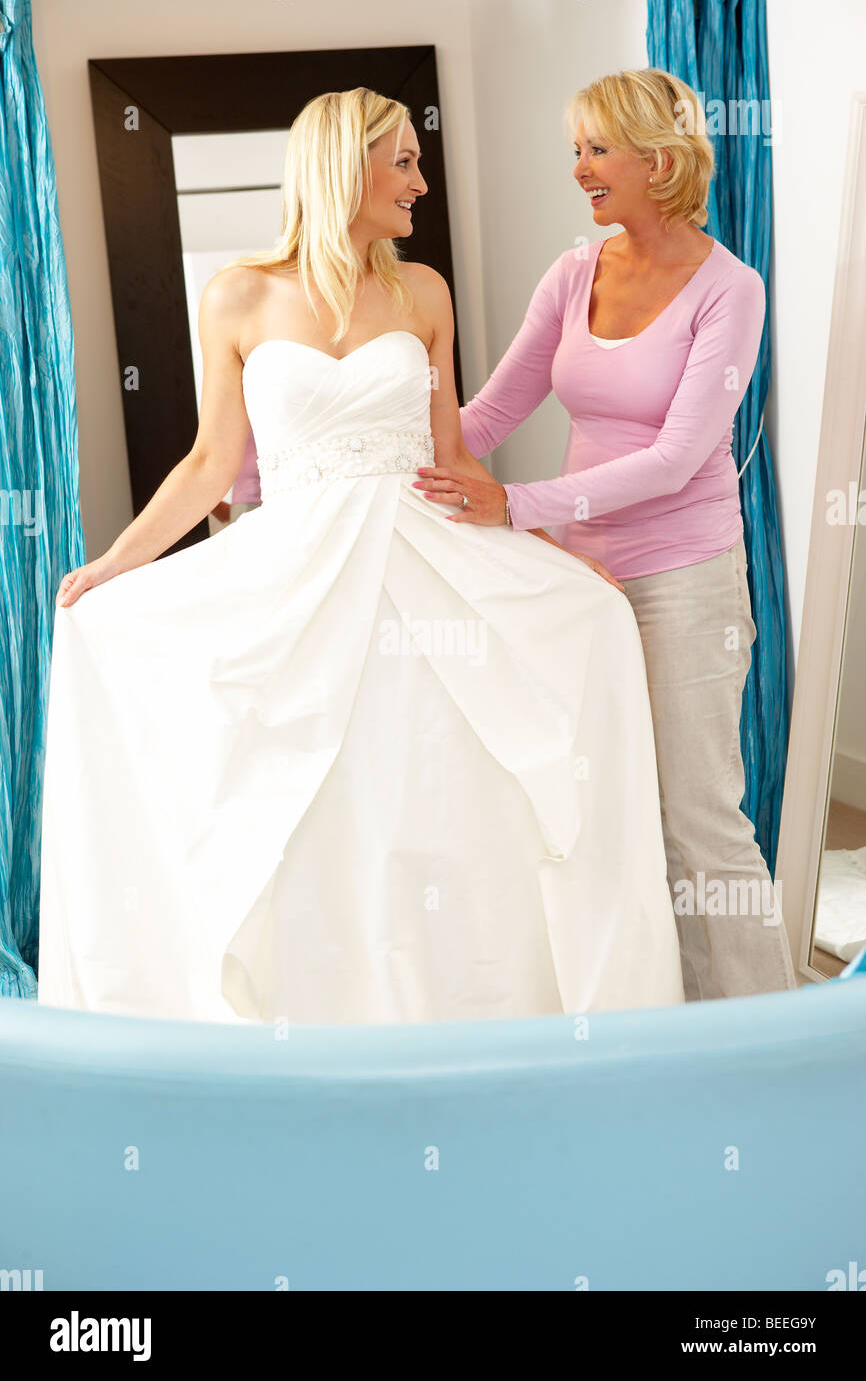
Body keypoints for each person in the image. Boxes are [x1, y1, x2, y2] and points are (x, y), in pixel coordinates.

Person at [37, 87, 684, 1025]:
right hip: (294, 562)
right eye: (405, 163)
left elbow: (456, 458)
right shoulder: (237, 295)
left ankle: (454, 1014)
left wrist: (548, 548)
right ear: (349, 166)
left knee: (434, 785)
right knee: (301, 790)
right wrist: (114, 567)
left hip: (419, 551)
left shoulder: (423, 293)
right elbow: (211, 461)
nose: (419, 183)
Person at [438, 68, 795, 1000]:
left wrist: (516, 507)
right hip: (573, 581)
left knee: (699, 817)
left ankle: (765, 1031)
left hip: (684, 577)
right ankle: (657, 1018)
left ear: (660, 160)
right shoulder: (574, 272)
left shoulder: (732, 290)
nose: (579, 169)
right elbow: (488, 416)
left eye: (597, 149)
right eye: (576, 150)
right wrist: (373, 458)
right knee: (598, 806)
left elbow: (679, 458)